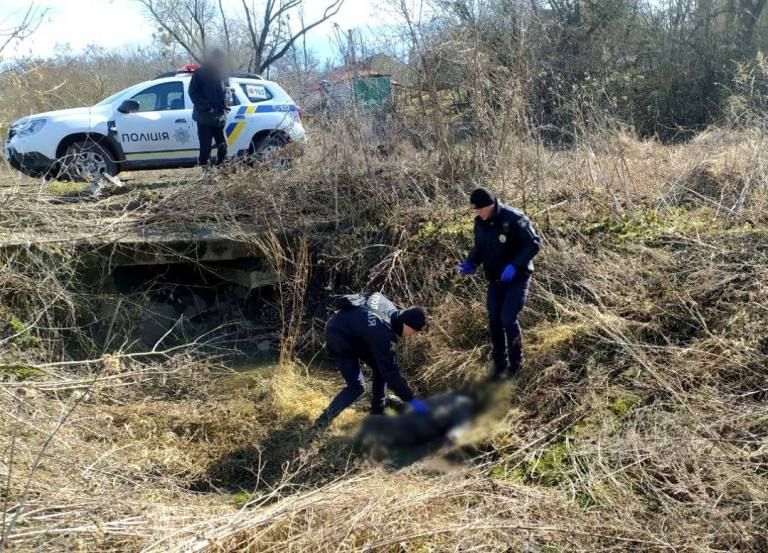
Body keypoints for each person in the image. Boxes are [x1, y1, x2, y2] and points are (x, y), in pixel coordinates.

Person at [457, 188, 541, 381]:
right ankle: (499, 364)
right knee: (494, 320)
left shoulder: (514, 218)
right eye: (475, 210)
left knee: (507, 319)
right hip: (495, 279)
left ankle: (516, 364)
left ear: (490, 205)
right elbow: (480, 248)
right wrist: (470, 263)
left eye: (479, 209)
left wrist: (514, 265)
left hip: (517, 277)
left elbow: (534, 243)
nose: (477, 213)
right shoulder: (480, 224)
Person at [313, 293, 429, 430]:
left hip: (349, 327)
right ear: (406, 323)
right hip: (338, 336)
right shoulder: (383, 335)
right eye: (414, 331)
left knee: (380, 366)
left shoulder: (390, 308)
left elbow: (372, 297)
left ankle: (377, 411)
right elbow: (391, 374)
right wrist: (414, 402)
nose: (414, 335)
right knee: (357, 386)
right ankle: (321, 422)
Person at [189, 48, 229, 167]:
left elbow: (226, 91)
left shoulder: (222, 74)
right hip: (204, 117)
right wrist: (206, 106)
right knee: (205, 147)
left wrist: (226, 102)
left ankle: (221, 168)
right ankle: (206, 172)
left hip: (219, 117)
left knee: (222, 145)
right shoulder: (200, 73)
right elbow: (193, 93)